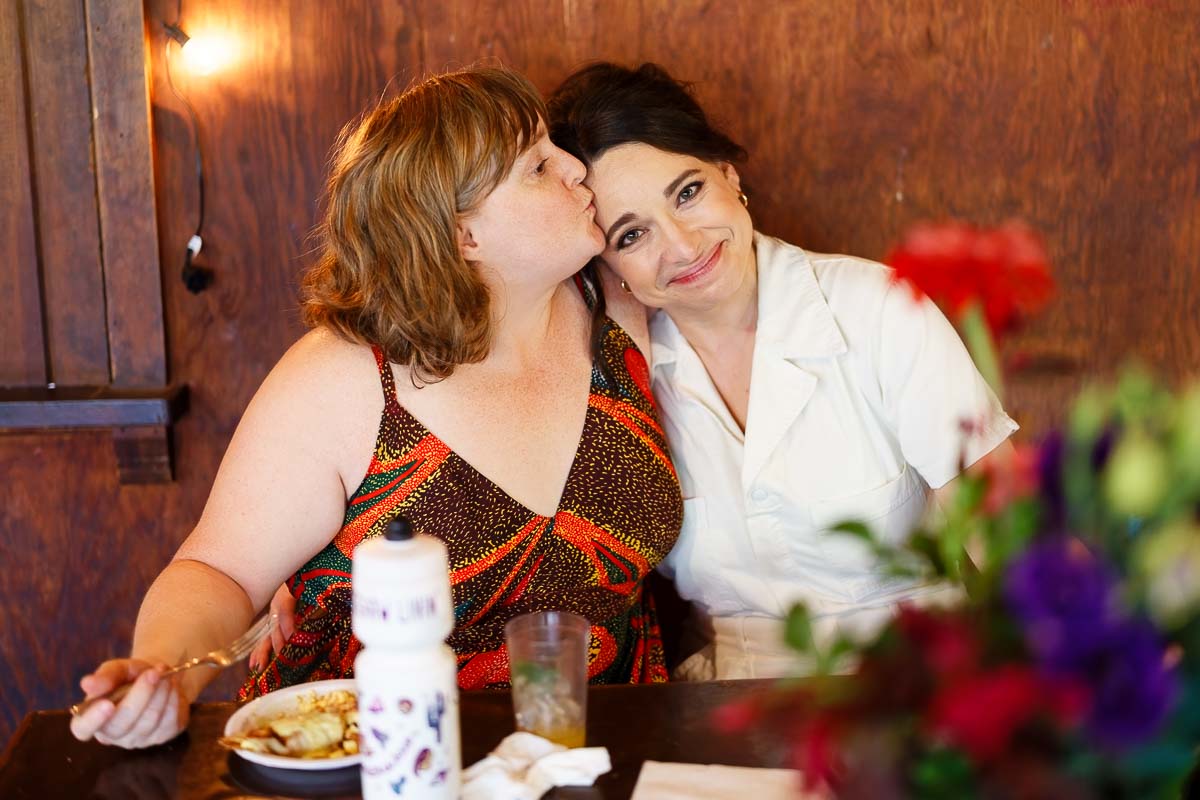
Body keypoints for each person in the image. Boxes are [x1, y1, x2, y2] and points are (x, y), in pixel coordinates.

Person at [70, 65, 682, 749]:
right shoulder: (343, 380)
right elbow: (219, 572)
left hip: (603, 752)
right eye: (538, 165)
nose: (577, 169)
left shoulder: (622, 303)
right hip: (375, 760)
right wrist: (164, 672)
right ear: (462, 237)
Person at [545, 62, 1017, 680]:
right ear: (608, 265)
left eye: (687, 192)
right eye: (632, 235)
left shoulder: (876, 307)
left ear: (728, 174)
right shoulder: (614, 380)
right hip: (729, 703)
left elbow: (1011, 540)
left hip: (916, 684)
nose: (683, 246)